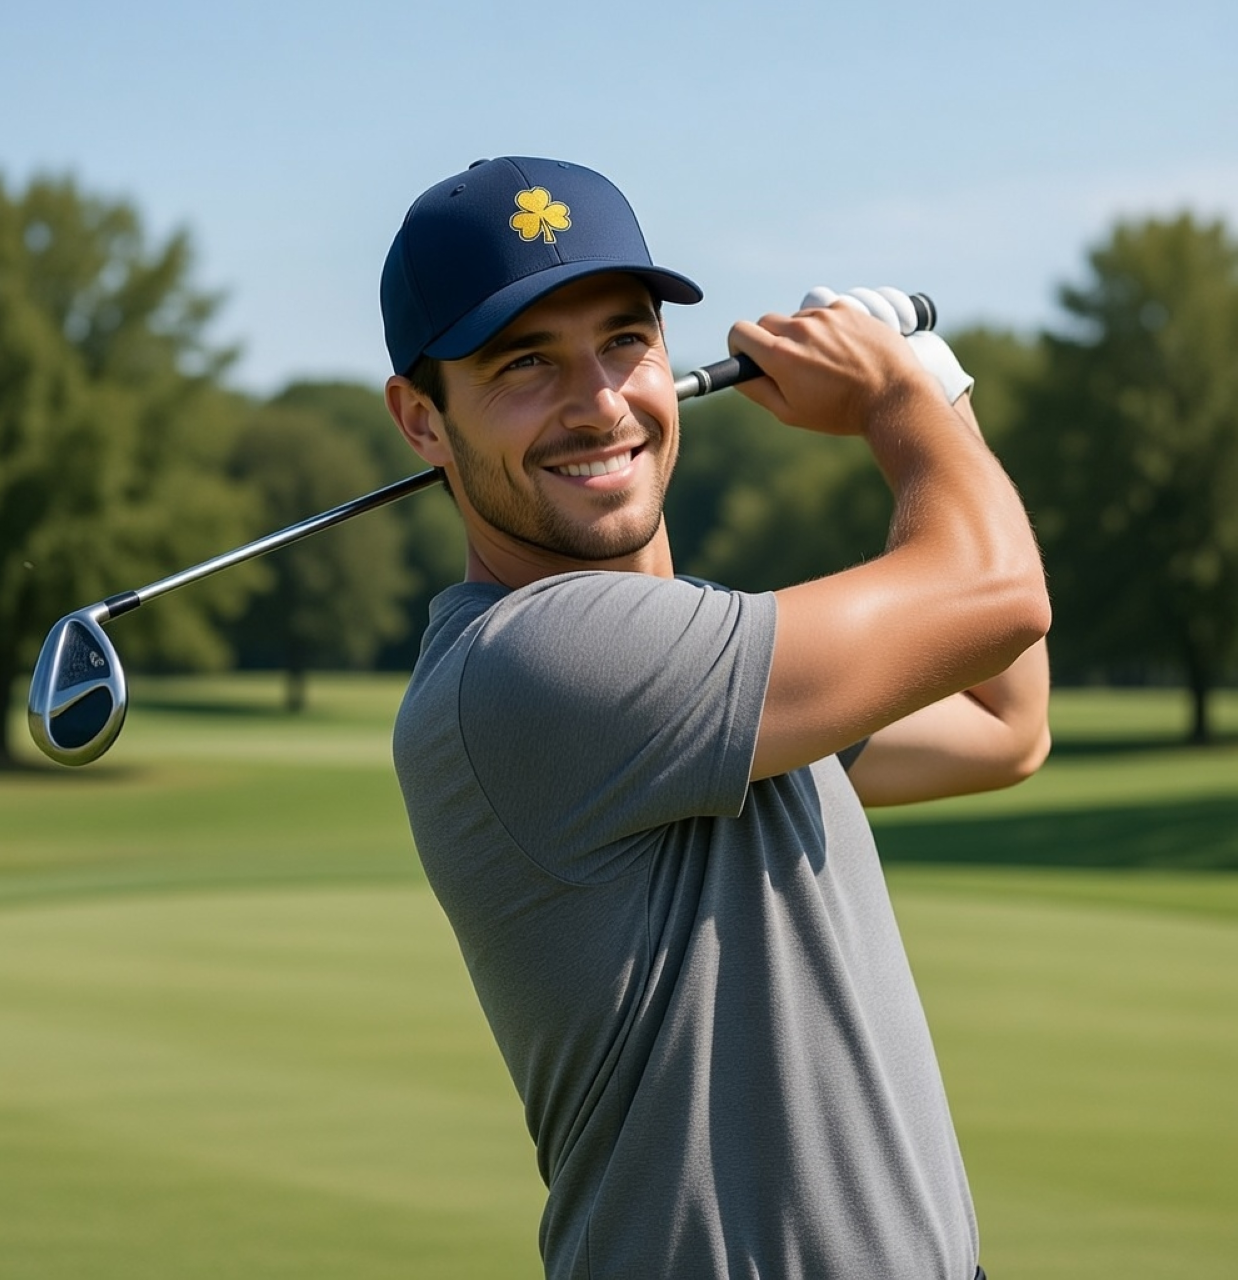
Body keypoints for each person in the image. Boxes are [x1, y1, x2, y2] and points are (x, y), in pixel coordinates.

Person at [379, 155, 1050, 1280]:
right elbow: (998, 594)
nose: (597, 401)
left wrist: (940, 387)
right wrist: (894, 397)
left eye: (624, 340)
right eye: (523, 364)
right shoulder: (537, 663)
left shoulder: (700, 667)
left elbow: (1001, 719)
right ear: (421, 420)